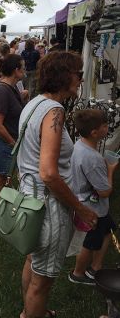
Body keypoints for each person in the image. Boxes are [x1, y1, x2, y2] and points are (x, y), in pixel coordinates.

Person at [17, 52, 97, 318]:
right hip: (48, 206)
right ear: (64, 76)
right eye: (78, 73)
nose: (81, 79)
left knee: (33, 261)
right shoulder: (54, 110)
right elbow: (49, 174)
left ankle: (30, 312)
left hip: (29, 199)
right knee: (43, 281)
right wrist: (80, 208)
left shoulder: (34, 103)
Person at [68, 109, 118, 285]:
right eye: (104, 125)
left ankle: (96, 267)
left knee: (107, 230)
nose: (107, 127)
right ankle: (78, 274)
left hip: (87, 202)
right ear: (94, 132)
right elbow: (105, 191)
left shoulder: (79, 145)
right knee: (89, 242)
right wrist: (111, 171)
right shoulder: (93, 158)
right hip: (92, 208)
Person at [0, 54, 25, 219]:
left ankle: (6, 207)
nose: (24, 70)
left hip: (9, 141)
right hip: (4, 142)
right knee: (2, 177)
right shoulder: (2, 90)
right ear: (16, 70)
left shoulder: (12, 87)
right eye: (22, 67)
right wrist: (12, 142)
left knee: (6, 177)